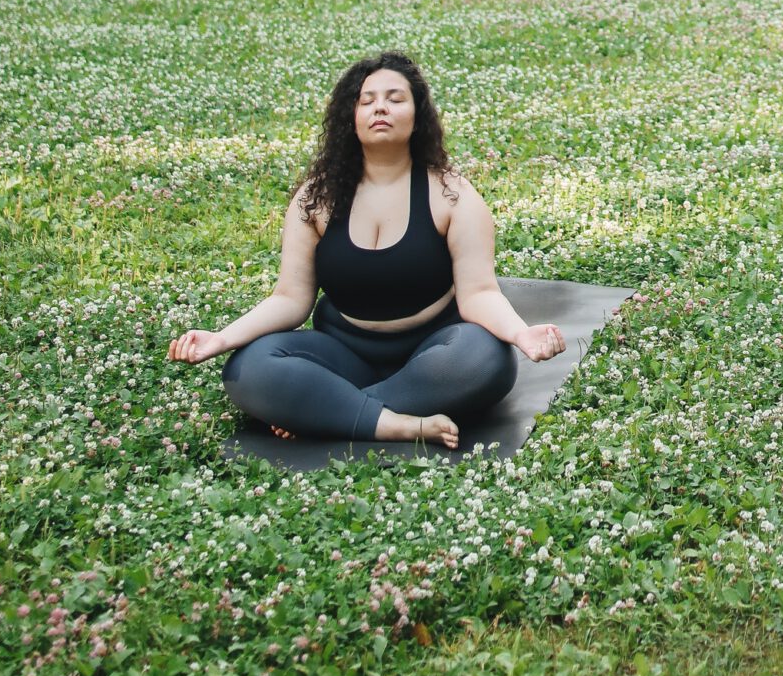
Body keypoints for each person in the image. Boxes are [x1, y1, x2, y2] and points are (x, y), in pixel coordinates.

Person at [168, 51, 565, 448]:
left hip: (435, 352)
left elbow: (479, 293)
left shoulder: (452, 194)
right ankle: (396, 423)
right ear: (350, 116)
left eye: (395, 99)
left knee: (487, 360)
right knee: (248, 367)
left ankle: (332, 412)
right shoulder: (316, 198)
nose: (381, 108)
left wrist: (521, 333)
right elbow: (290, 298)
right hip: (344, 353)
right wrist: (221, 339)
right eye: (367, 99)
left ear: (417, 115)